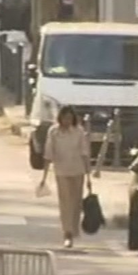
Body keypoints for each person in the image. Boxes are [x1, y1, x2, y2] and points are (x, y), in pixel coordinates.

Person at [41, 106, 90, 249]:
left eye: (70, 118)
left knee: (76, 203)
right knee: (65, 203)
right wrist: (44, 176)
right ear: (60, 118)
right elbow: (48, 153)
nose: (67, 121)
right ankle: (67, 233)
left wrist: (89, 176)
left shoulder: (79, 132)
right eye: (64, 118)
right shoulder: (54, 132)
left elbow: (84, 153)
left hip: (77, 170)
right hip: (61, 171)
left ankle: (74, 229)